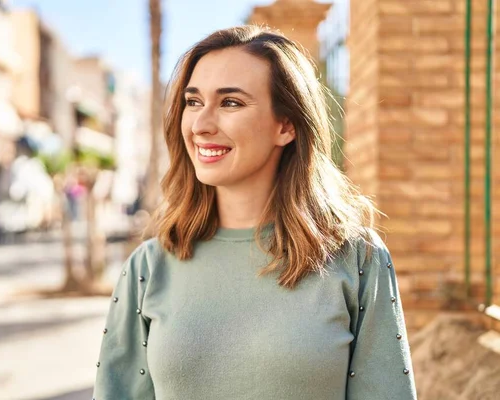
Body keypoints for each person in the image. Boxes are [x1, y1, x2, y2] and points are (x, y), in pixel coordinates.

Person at [93, 26, 417, 400]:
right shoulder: (147, 268)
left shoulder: (357, 260)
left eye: (230, 103)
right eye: (193, 102)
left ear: (287, 125)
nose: (200, 125)